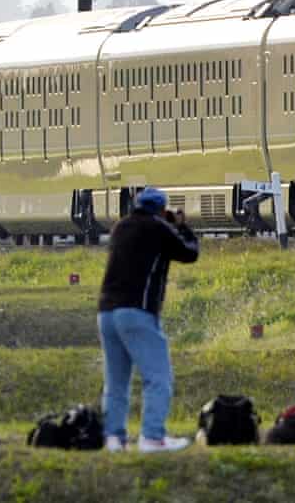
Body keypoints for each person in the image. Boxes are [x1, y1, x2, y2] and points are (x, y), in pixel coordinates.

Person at [98, 186, 200, 453]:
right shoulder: (158, 228)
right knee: (158, 377)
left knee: (116, 381)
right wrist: (183, 226)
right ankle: (152, 437)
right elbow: (189, 253)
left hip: (106, 312)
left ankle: (113, 438)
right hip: (137, 311)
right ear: (160, 209)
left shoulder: (120, 227)